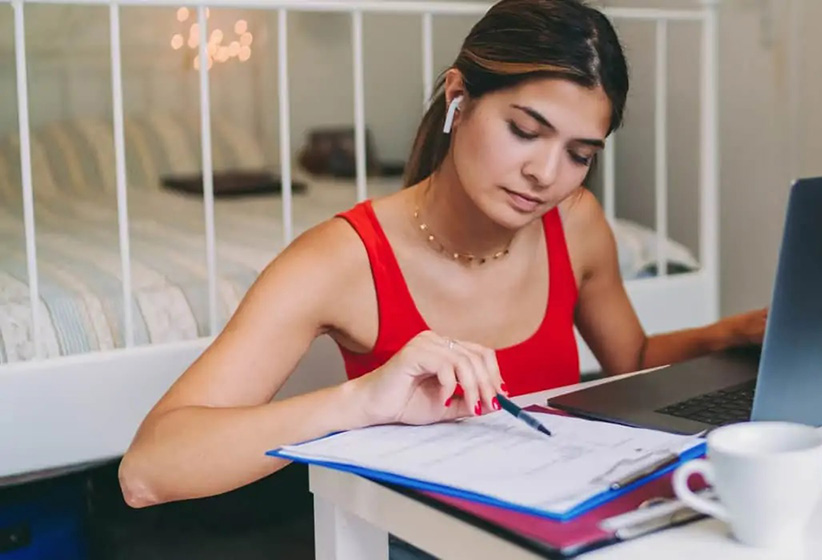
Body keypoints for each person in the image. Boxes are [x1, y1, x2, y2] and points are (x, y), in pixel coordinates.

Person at [118, 0, 764, 522]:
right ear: (459, 97)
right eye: (525, 131)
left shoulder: (579, 226)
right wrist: (362, 402)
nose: (546, 174)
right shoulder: (341, 260)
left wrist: (739, 333)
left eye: (579, 153)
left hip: (570, 530)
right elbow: (148, 471)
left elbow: (633, 364)